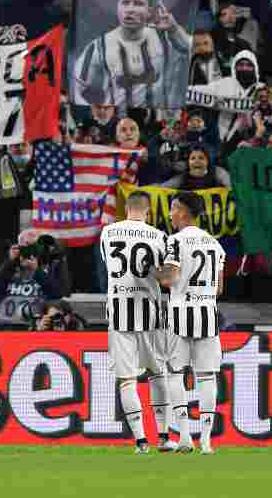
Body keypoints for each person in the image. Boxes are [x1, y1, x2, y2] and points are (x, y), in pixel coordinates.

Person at [99, 189, 171, 454]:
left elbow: (109, 266)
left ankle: (141, 442)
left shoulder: (108, 233)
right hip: (150, 313)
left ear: (126, 209)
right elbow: (165, 277)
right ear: (148, 211)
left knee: (127, 380)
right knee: (157, 373)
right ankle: (164, 437)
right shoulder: (159, 236)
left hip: (119, 313)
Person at [158, 192, 225, 455]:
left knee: (176, 374)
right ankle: (206, 441)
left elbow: (168, 279)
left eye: (174, 208)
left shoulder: (175, 241)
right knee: (207, 376)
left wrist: (153, 270)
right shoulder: (215, 244)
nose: (170, 214)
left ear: (184, 212)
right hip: (207, 312)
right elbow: (219, 288)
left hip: (180, 311)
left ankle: (185, 436)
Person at [72, 0, 192, 110]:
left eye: (138, 4)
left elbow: (190, 50)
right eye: (125, 3)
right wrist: (97, 112)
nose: (130, 9)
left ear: (149, 12)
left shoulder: (166, 36)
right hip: (120, 117)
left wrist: (174, 29)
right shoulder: (98, 46)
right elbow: (78, 87)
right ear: (117, 9)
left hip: (157, 116)